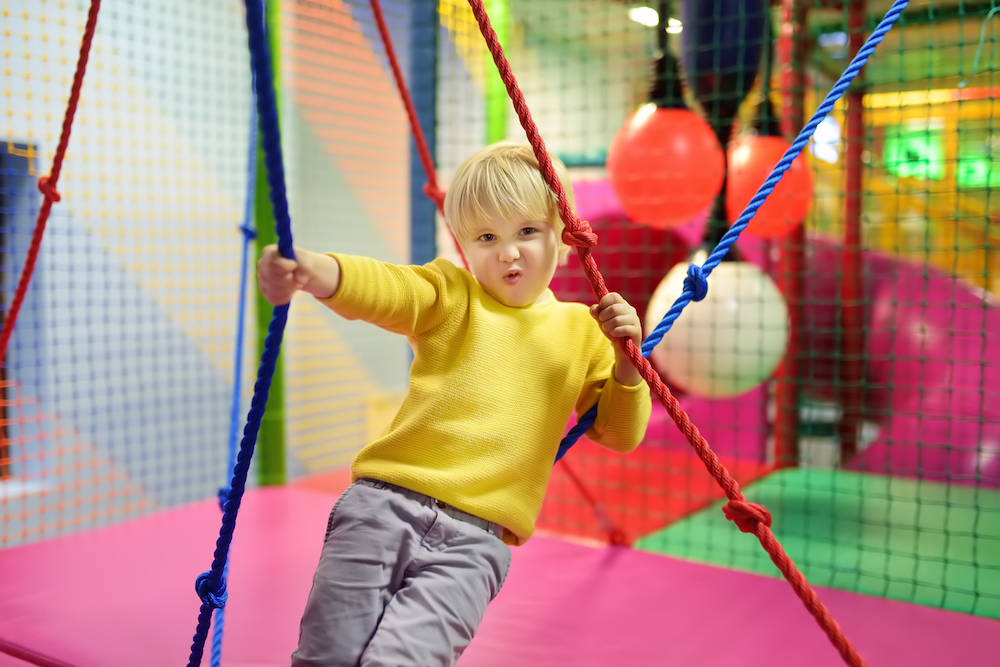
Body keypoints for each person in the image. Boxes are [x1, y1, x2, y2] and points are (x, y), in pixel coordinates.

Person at [256, 142, 652, 666]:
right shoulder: (452, 294)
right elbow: (387, 289)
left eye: (527, 231)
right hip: (382, 505)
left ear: (562, 239)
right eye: (487, 237)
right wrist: (314, 269)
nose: (508, 252)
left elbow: (620, 434)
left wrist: (628, 361)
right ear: (466, 247)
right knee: (325, 657)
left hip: (472, 546)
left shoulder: (583, 331)